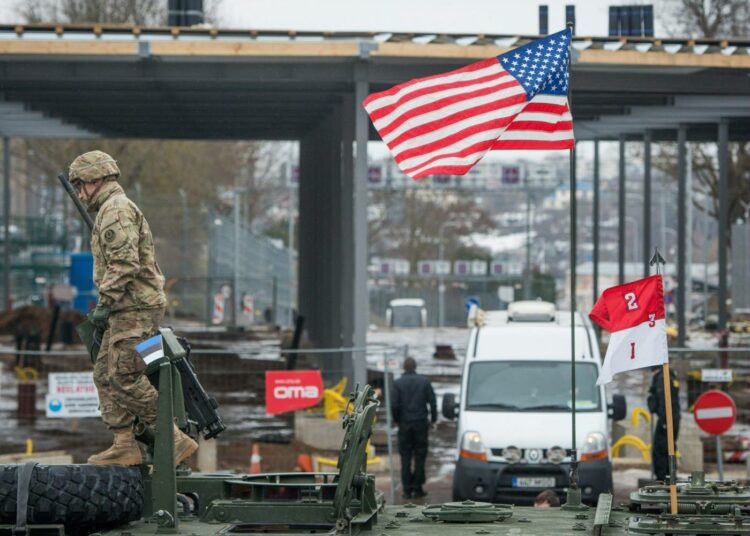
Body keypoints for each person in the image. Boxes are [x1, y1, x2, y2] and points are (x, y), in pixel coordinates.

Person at [69, 150, 198, 466]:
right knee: (104, 373)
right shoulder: (110, 210)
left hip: (133, 309)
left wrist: (106, 302)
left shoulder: (115, 210)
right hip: (127, 309)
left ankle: (174, 438)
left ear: (96, 179)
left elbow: (125, 264)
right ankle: (124, 442)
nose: (80, 193)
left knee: (124, 376)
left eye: (81, 185)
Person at [391, 357, 437, 499]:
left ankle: (406, 489)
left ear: (404, 368)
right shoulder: (424, 382)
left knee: (405, 456)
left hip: (404, 424)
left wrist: (397, 420)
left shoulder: (397, 383)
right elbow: (433, 402)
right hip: (420, 423)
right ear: (415, 366)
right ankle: (417, 488)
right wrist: (433, 419)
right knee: (420, 456)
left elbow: (394, 405)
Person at [647, 366, 680, 481]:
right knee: (670, 448)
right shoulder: (671, 376)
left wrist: (663, 421)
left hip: (666, 419)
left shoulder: (662, 378)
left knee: (660, 449)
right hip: (674, 417)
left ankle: (663, 479)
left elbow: (664, 401)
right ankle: (670, 477)